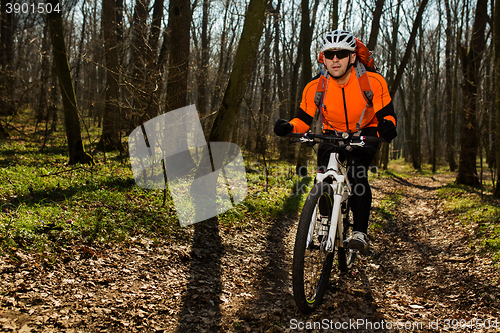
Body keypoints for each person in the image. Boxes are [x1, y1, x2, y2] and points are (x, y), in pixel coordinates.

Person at [274, 30, 397, 252]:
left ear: (352, 57)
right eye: (329, 55)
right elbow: (303, 120)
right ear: (323, 58)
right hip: (332, 131)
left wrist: (388, 126)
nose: (335, 59)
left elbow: (387, 115)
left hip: (365, 130)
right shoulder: (315, 87)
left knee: (357, 173)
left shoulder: (373, 82)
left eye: (341, 53)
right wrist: (289, 127)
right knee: (323, 175)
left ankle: (359, 233)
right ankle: (323, 220)